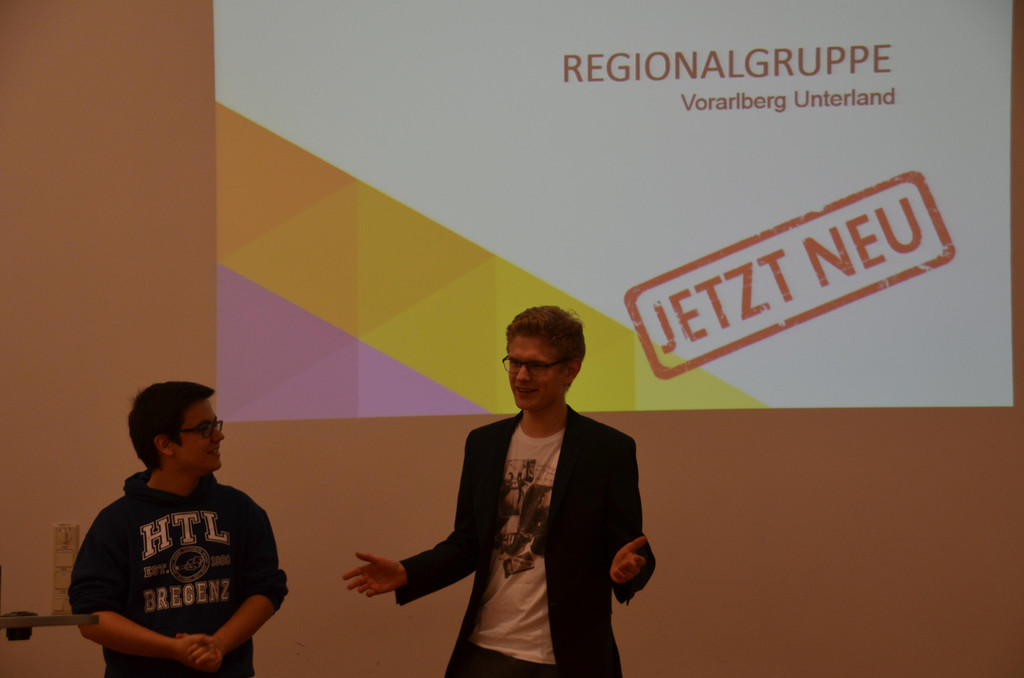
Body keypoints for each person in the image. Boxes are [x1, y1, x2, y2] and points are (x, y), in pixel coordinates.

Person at [343, 306, 654, 678]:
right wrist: (408, 571)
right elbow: (468, 543)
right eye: (514, 362)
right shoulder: (484, 444)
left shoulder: (607, 450)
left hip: (567, 658)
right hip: (485, 649)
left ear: (570, 370)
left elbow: (633, 548)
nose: (521, 376)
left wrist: (626, 570)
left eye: (536, 365)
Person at [70, 381, 288, 677]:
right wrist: (172, 649)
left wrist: (219, 645)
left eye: (215, 425)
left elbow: (266, 589)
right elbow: (91, 616)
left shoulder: (241, 509)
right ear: (165, 444)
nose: (219, 436)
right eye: (204, 429)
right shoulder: (115, 522)